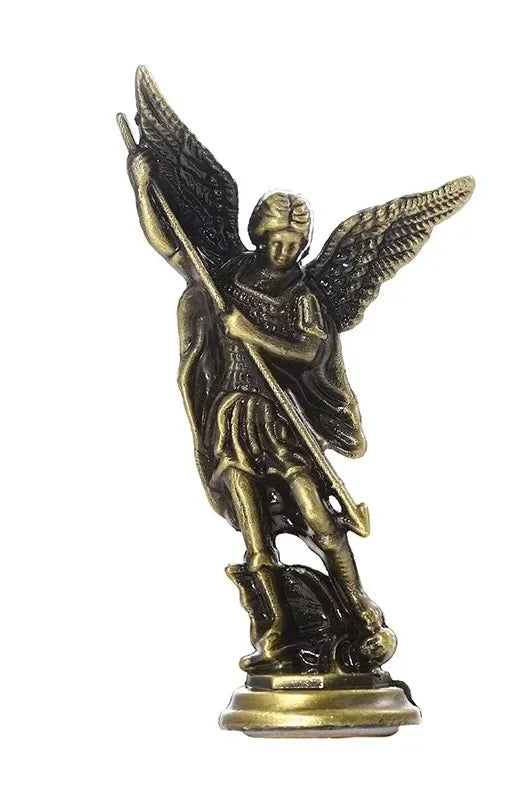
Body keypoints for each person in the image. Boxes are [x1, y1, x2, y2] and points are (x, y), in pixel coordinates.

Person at [128, 152, 396, 671]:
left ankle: (361, 608)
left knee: (319, 517)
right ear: (258, 235)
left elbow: (308, 352)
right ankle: (273, 631)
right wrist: (143, 187)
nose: (284, 252)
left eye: (294, 245)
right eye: (276, 241)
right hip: (232, 415)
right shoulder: (225, 279)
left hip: (280, 420)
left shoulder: (302, 295)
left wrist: (250, 331)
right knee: (254, 531)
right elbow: (171, 248)